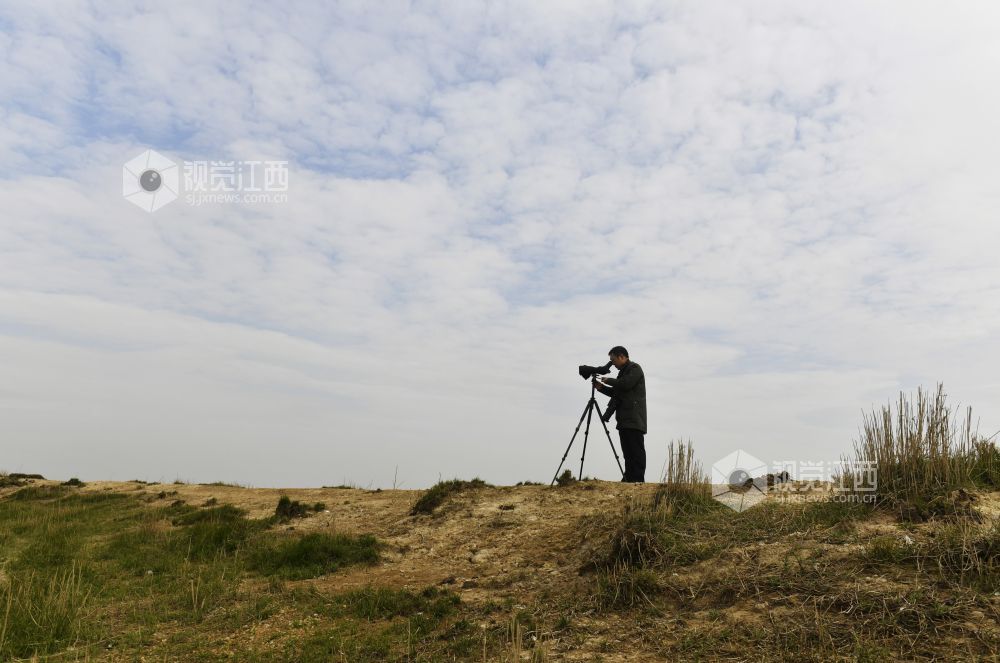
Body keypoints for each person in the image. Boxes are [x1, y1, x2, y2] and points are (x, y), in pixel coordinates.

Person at [593, 346, 647, 483]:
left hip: (634, 419)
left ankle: (638, 479)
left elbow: (626, 384)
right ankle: (629, 478)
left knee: (636, 451)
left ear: (622, 356)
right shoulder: (623, 373)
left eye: (613, 360)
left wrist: (608, 380)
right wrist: (601, 388)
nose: (612, 363)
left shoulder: (635, 369)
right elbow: (617, 392)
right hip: (624, 419)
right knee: (627, 453)